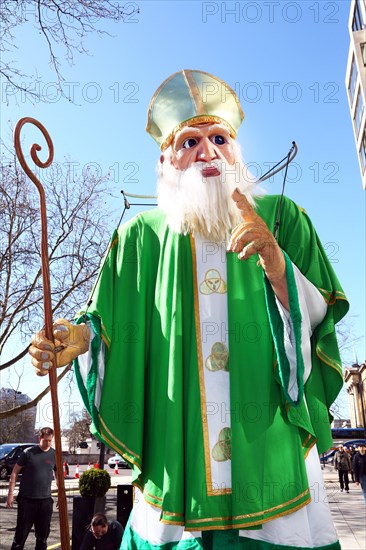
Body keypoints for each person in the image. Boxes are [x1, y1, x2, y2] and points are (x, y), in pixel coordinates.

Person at [29, 70, 349, 549]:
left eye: (219, 137)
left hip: (269, 456)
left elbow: (321, 328)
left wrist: (278, 265)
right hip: (172, 464)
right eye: (189, 140)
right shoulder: (138, 239)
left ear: (236, 151)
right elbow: (110, 327)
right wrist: (82, 340)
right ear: (165, 161)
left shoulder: (283, 217)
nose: (207, 150)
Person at [6, 427, 56, 550]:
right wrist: (10, 494)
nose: (47, 443)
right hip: (27, 500)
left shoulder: (55, 454)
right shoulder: (28, 453)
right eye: (45, 440)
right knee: (20, 537)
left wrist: (61, 495)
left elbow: (58, 475)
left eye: (50, 440)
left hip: (45, 501)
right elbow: (14, 472)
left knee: (42, 538)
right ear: (40, 438)